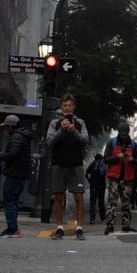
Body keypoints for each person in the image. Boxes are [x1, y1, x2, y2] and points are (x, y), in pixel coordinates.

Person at [45, 94, 90, 241]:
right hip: (59, 164)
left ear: (74, 107)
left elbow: (85, 139)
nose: (67, 108)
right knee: (58, 196)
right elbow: (49, 141)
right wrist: (62, 130)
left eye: (70, 105)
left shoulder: (80, 122)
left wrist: (73, 131)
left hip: (76, 164)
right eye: (65, 106)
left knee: (78, 196)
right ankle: (59, 228)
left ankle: (79, 228)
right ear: (61, 107)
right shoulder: (54, 123)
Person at [0, 115, 34, 238]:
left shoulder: (16, 137)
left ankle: (12, 228)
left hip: (14, 172)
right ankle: (13, 227)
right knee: (14, 200)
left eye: (6, 126)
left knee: (9, 199)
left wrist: (1, 155)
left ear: (10, 126)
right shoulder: (23, 137)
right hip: (21, 173)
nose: (5, 129)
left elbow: (13, 154)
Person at [102, 123, 137, 235]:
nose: (124, 136)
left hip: (128, 178)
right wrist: (116, 157)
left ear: (128, 132)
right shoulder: (112, 143)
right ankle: (110, 225)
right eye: (122, 134)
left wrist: (131, 159)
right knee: (112, 203)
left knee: (126, 203)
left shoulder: (133, 145)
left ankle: (126, 225)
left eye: (125, 134)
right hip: (114, 177)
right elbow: (105, 159)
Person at [85, 153, 107, 224]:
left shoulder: (92, 165)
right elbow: (106, 175)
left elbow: (86, 174)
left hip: (93, 186)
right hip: (102, 186)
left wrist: (90, 181)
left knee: (93, 202)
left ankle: (92, 219)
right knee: (101, 201)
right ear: (101, 158)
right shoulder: (103, 165)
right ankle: (103, 217)